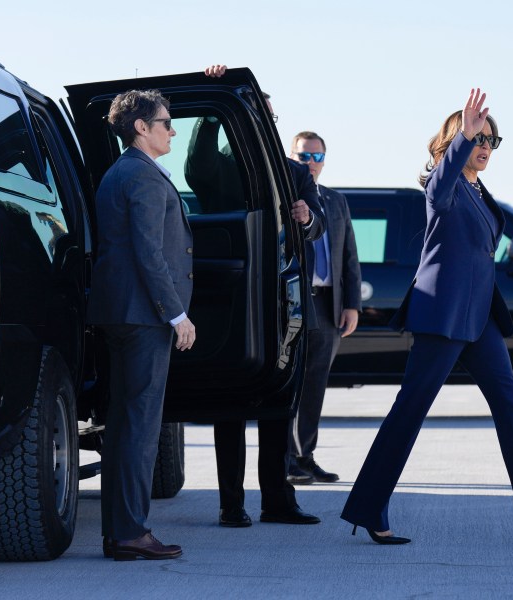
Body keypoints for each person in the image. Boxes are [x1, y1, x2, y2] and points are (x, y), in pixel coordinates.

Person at [341, 89, 513, 546]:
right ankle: (368, 510)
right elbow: (440, 185)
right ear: (453, 143)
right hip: (441, 317)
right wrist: (462, 138)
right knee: (409, 412)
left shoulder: (479, 191)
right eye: (477, 137)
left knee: (511, 405)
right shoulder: (445, 185)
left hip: (480, 321)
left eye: (491, 140)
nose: (484, 146)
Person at [188, 64, 325, 528]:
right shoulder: (221, 168)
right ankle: (231, 504)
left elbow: (319, 222)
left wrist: (306, 219)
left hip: (282, 301)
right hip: (234, 298)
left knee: (278, 401)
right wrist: (211, 107)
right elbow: (196, 166)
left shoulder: (295, 172)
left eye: (267, 115)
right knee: (232, 403)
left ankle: (277, 501)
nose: (262, 121)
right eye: (252, 113)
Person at [90, 90, 196, 561]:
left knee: (123, 425)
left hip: (120, 313)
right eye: (166, 122)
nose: (172, 130)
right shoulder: (145, 177)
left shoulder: (121, 172)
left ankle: (120, 531)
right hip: (144, 316)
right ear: (140, 127)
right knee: (139, 428)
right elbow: (149, 253)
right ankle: (131, 532)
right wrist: (176, 314)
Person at [286, 131, 361, 485]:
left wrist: (352, 304)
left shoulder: (335, 200)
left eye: (316, 157)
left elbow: (349, 256)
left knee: (316, 383)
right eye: (304, 157)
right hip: (294, 303)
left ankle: (306, 456)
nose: (310, 164)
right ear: (291, 157)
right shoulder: (285, 197)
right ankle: (285, 458)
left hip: (329, 303)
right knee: (290, 382)